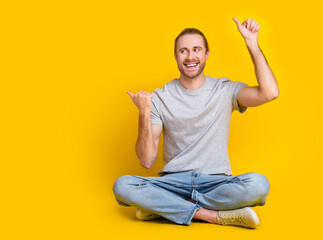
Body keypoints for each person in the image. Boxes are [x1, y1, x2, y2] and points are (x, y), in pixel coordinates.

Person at [113, 18, 279, 228]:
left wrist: (252, 43)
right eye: (183, 51)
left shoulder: (225, 90)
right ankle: (211, 215)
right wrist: (144, 113)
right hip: (173, 183)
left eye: (196, 49)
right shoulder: (161, 97)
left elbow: (270, 92)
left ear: (206, 54)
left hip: (216, 183)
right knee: (123, 185)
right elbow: (146, 160)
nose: (190, 56)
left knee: (259, 184)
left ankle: (167, 208)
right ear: (175, 56)